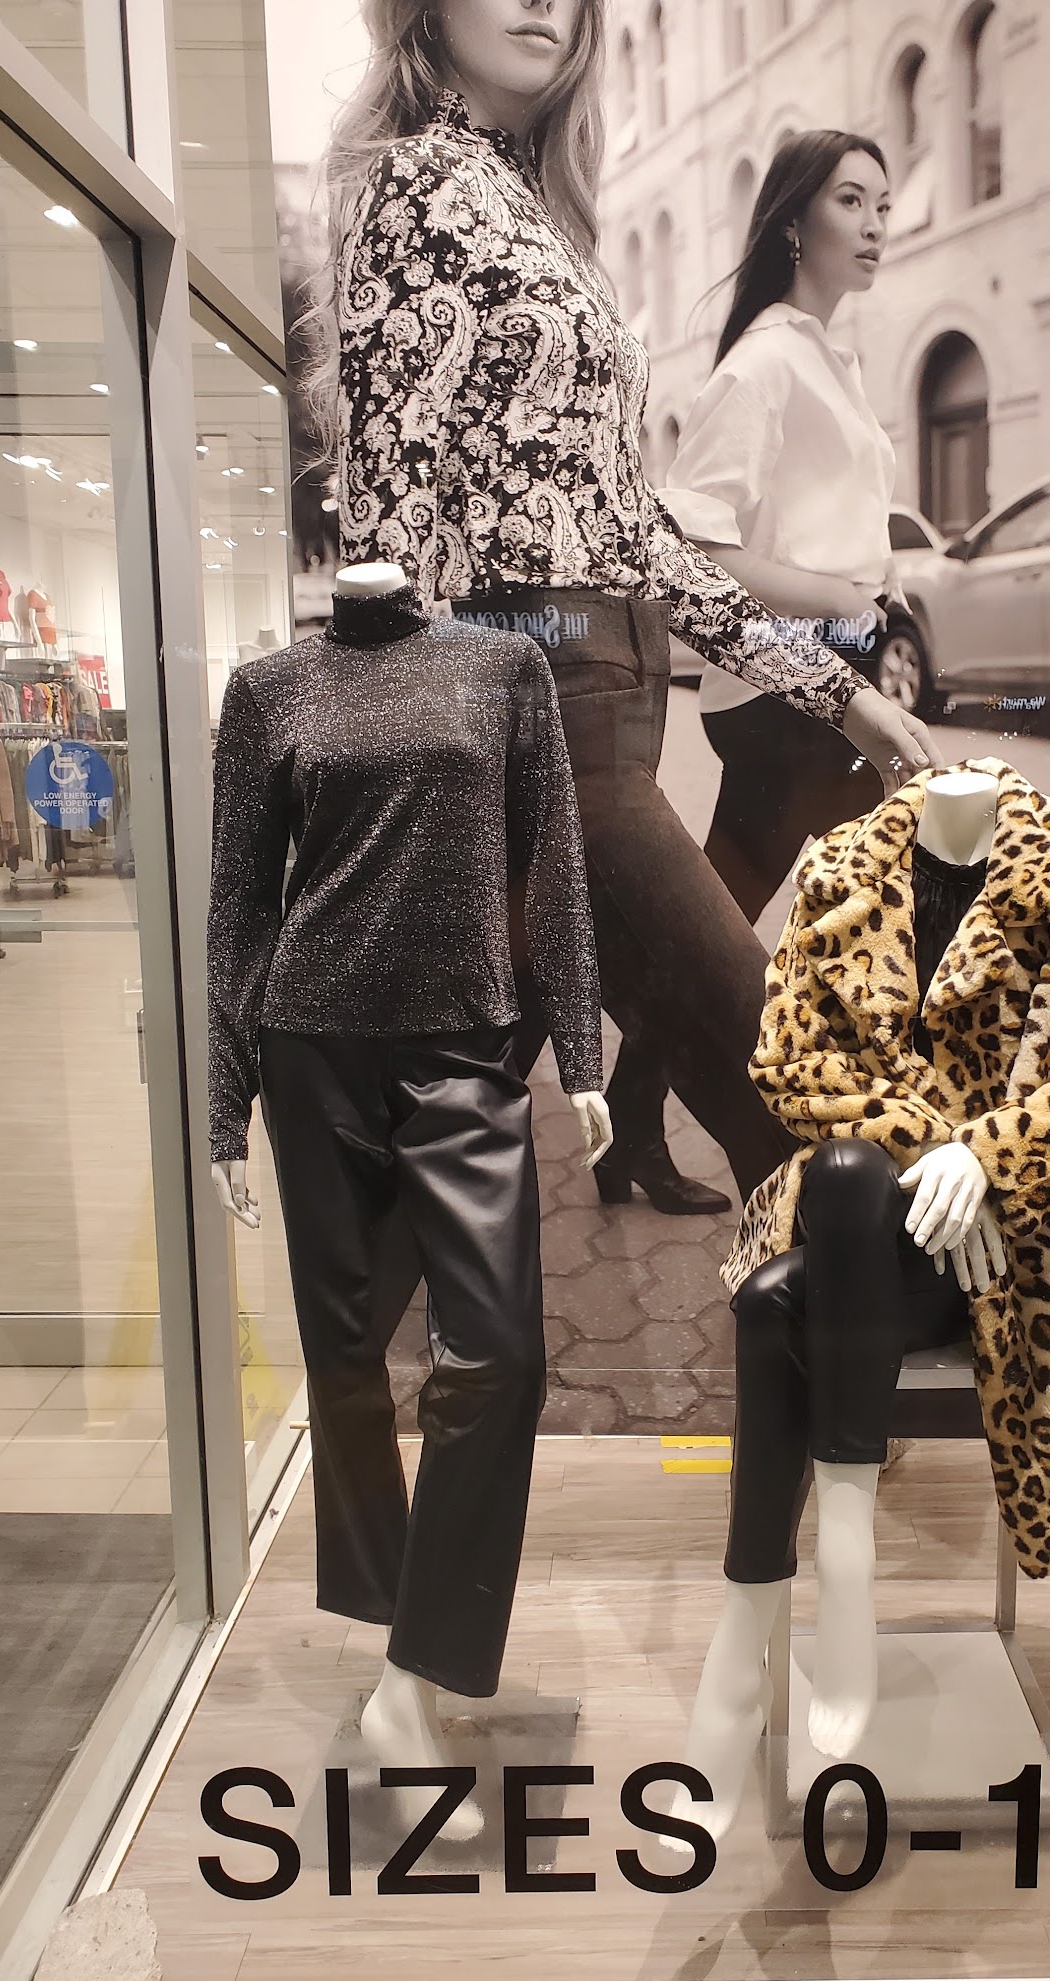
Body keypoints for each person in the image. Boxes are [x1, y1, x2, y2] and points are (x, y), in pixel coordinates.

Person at [304, 0, 936, 1221]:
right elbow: (389, 519)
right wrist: (407, 792)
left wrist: (838, 691)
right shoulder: (423, 185)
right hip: (535, 705)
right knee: (774, 1075)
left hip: (608, 689)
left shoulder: (531, 206)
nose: (544, 4)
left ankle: (393, 1307)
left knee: (470, 1108)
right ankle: (843, 1327)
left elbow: (640, 533)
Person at [608, 131, 921, 1168]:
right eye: (850, 200)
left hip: (825, 680)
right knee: (781, 921)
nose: (875, 223)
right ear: (793, 221)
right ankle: (819, 1141)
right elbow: (699, 550)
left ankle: (640, 1125)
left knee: (778, 916)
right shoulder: (765, 365)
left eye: (883, 203)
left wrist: (873, 601)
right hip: (784, 695)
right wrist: (843, 597)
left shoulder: (826, 357)